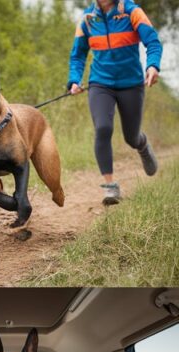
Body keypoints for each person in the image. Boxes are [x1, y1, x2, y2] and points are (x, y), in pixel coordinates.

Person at [68, 0, 162, 205]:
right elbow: (78, 55)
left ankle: (142, 144)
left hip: (131, 84)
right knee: (103, 128)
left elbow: (153, 42)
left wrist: (153, 66)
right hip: (100, 83)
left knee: (131, 137)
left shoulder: (132, 12)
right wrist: (74, 79)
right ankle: (110, 187)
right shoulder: (88, 19)